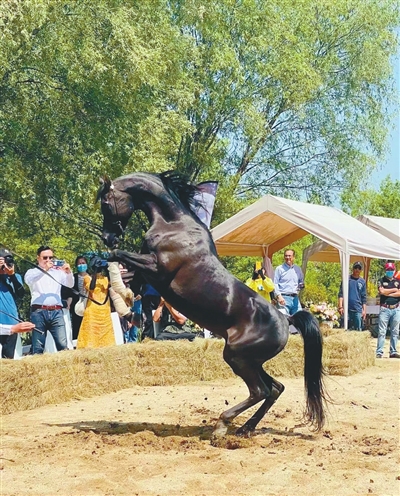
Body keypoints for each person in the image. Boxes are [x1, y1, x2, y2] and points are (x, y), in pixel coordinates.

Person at [25, 246, 74, 354]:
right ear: (38, 258)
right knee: (38, 346)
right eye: (45, 257)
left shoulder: (58, 272)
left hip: (56, 311)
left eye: (51, 258)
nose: (48, 260)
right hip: (39, 312)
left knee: (62, 344)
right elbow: (29, 280)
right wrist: (44, 269)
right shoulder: (32, 271)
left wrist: (68, 272)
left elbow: (70, 284)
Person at [76, 255, 115, 349]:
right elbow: (91, 287)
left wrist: (107, 268)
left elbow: (113, 283)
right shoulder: (87, 278)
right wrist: (95, 272)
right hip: (92, 311)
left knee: (105, 333)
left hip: (105, 310)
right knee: (91, 334)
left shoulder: (105, 279)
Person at [0, 248, 26, 358]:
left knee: (8, 358)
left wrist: (12, 275)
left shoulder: (16, 277)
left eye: (8, 260)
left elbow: (21, 294)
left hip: (12, 323)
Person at [376, 262, 400, 359]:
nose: (390, 271)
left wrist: (387, 293)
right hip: (385, 308)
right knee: (382, 331)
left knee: (395, 331)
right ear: (385, 270)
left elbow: (399, 293)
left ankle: (393, 351)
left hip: (396, 308)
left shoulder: (397, 281)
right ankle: (379, 351)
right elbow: (381, 291)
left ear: (394, 270)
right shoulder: (381, 280)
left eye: (391, 270)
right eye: (388, 270)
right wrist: (394, 289)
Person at [62, 255, 89, 340]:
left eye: (83, 263)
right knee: (77, 325)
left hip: (89, 304)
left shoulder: (92, 277)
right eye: (79, 263)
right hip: (77, 305)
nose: (81, 265)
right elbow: (70, 292)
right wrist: (68, 303)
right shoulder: (74, 277)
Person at [273, 249, 305, 315]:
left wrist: (300, 287)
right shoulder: (279, 269)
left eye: (289, 256)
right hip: (283, 298)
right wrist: (279, 296)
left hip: (295, 299)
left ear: (293, 257)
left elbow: (301, 282)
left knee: (300, 319)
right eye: (286, 256)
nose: (288, 258)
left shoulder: (298, 269)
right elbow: (275, 283)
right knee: (284, 321)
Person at [337, 261, 367, 330]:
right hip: (347, 309)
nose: (357, 269)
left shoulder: (362, 282)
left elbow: (364, 298)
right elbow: (341, 294)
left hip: (358, 310)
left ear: (361, 270)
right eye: (356, 267)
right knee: (345, 329)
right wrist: (340, 307)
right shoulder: (346, 279)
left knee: (358, 330)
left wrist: (364, 311)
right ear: (353, 268)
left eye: (359, 268)